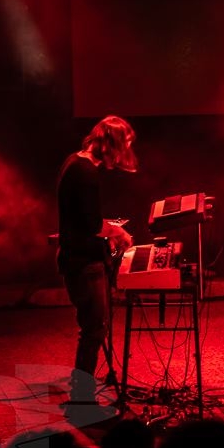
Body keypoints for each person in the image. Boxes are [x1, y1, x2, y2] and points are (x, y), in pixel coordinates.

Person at [56, 115, 137, 406]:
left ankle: (82, 392)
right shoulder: (86, 172)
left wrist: (107, 230)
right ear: (110, 145)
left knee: (92, 327)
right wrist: (118, 232)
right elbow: (91, 225)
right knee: (94, 329)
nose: (122, 155)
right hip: (85, 263)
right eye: (122, 146)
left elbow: (82, 218)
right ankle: (81, 399)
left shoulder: (74, 162)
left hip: (75, 258)